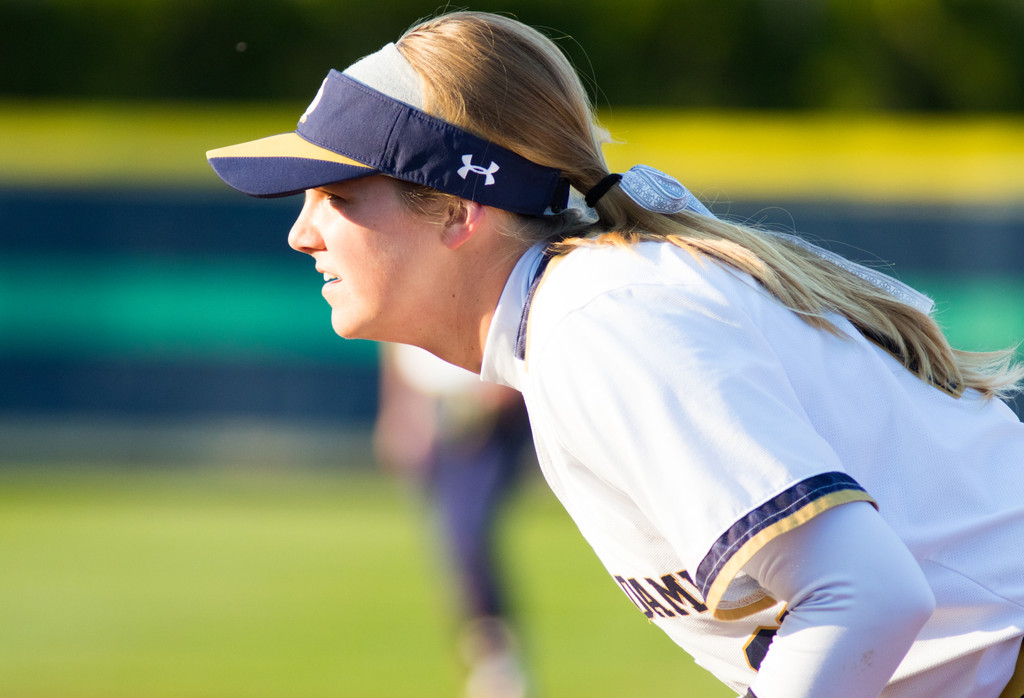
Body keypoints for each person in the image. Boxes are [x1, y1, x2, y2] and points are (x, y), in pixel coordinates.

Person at [206, 11, 1024, 697]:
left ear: (457, 209)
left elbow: (866, 596)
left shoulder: (600, 320)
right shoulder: (577, 316)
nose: (301, 231)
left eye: (339, 197)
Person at [374, 342, 532, 698]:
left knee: (467, 533)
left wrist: (505, 384)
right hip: (432, 411)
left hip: (486, 411)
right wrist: (398, 407)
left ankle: (498, 663)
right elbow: (392, 335)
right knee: (452, 543)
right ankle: (488, 655)